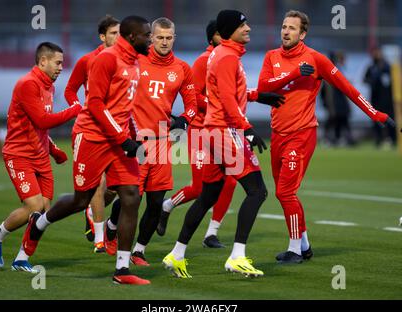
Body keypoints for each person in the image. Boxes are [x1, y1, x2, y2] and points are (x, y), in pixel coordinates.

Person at [20, 16, 153, 285]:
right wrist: (123, 138)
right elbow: (94, 104)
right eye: (147, 35)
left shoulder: (135, 63)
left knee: (131, 195)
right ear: (131, 37)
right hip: (91, 137)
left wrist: (134, 137)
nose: (150, 40)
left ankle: (122, 270)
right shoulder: (107, 59)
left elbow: (123, 108)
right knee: (82, 200)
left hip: (118, 140)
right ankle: (40, 224)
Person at [257, 10, 396, 264]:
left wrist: (375, 114)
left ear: (303, 34)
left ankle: (295, 250)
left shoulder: (316, 59)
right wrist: (294, 73)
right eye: (284, 26)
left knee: (287, 192)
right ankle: (305, 245)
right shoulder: (271, 57)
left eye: (291, 28)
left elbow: (348, 88)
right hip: (277, 135)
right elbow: (264, 88)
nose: (285, 31)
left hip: (302, 134)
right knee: (281, 193)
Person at [162, 10, 270, 279]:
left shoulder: (225, 55)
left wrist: (257, 97)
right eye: (242, 25)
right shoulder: (226, 57)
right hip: (224, 131)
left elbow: (229, 95)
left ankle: (176, 254)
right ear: (229, 29)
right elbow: (226, 99)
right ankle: (237, 256)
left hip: (212, 132)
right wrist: (247, 129)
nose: (248, 28)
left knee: (208, 194)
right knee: (257, 192)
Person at [104, 17, 197, 266]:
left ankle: (139, 250)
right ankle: (112, 225)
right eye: (160, 37)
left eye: (169, 38)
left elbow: (192, 106)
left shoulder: (182, 69)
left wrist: (184, 120)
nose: (164, 42)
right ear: (151, 37)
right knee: (130, 196)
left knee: (156, 201)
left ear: (173, 38)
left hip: (163, 143)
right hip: (136, 142)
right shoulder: (136, 61)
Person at [0, 42, 80, 272]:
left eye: (62, 63)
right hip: (19, 154)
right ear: (42, 61)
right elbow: (43, 121)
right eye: (57, 63)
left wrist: (53, 150)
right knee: (33, 205)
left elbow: (40, 129)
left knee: (44, 211)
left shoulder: (49, 86)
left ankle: (21, 259)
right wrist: (75, 110)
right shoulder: (27, 84)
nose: (60, 67)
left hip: (39, 155)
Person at [64, 15, 120, 252]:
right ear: (102, 36)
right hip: (92, 131)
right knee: (98, 183)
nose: (117, 38)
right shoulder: (88, 60)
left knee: (117, 188)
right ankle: (100, 238)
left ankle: (90, 210)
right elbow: (70, 90)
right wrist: (81, 108)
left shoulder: (128, 62)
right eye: (113, 33)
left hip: (117, 131)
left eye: (120, 33)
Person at [364, 47, 397, 148]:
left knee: (390, 118)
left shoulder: (387, 66)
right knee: (376, 120)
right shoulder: (371, 67)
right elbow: (365, 79)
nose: (376, 55)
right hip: (376, 99)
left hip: (387, 99)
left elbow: (392, 82)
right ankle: (378, 139)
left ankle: (392, 139)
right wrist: (372, 82)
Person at [320, 51, 355, 147]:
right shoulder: (332, 70)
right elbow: (326, 90)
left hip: (337, 101)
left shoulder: (335, 70)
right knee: (335, 120)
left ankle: (337, 139)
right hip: (334, 101)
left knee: (339, 119)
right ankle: (331, 139)